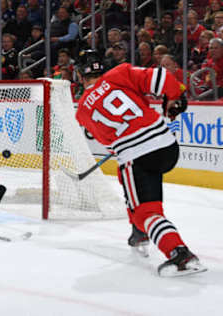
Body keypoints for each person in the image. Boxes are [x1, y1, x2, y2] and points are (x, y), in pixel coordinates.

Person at [74, 50, 207, 277]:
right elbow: (163, 78)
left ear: (80, 75)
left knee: (146, 211)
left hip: (137, 157)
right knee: (128, 180)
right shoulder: (120, 72)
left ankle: (179, 254)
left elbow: (110, 143)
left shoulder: (83, 110)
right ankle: (139, 232)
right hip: (167, 146)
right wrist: (176, 96)